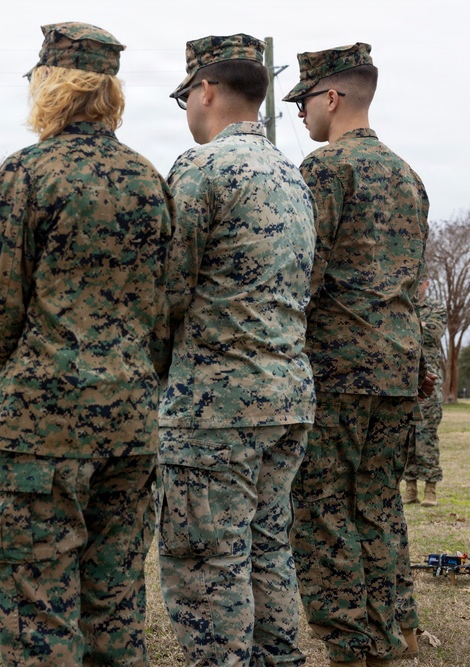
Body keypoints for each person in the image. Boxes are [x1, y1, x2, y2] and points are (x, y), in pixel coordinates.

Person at [0, 22, 175, 667]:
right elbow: (165, 310)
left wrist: (5, 381)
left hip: (43, 423)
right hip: (132, 419)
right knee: (115, 598)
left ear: (50, 87)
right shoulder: (148, 179)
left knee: (39, 601)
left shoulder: (27, 175)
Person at [155, 33, 316, 667]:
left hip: (215, 405)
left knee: (205, 560)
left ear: (207, 91)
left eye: (185, 96)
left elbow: (168, 289)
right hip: (287, 397)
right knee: (267, 546)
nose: (188, 110)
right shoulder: (290, 173)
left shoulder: (202, 168)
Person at [282, 44, 429, 667]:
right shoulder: (407, 175)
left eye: (305, 102)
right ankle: (398, 629)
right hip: (397, 367)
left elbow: (303, 273)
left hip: (338, 366)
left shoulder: (324, 169)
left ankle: (353, 643)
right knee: (377, 503)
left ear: (332, 98)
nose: (300, 115)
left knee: (320, 508)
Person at [403, 275, 447, 506]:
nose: (416, 285)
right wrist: (419, 324)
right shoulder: (401, 304)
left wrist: (412, 324)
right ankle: (410, 488)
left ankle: (431, 488)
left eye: (420, 281)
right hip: (404, 380)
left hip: (429, 380)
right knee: (406, 436)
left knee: (427, 436)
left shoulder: (436, 307)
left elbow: (433, 334)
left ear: (427, 283)